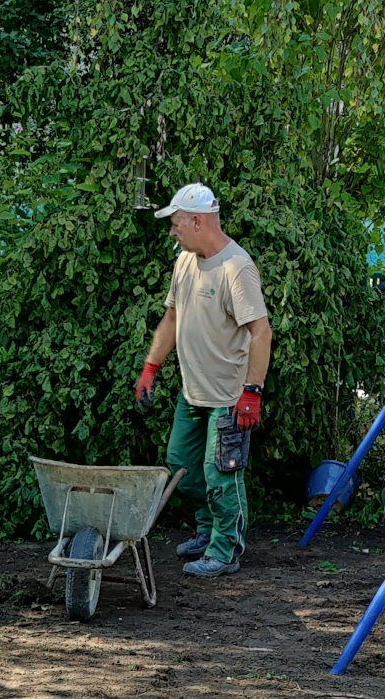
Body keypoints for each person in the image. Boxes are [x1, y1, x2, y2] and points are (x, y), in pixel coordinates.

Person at [134, 183, 273, 577]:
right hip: (192, 392)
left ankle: (225, 550)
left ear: (197, 220)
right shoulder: (185, 263)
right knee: (181, 463)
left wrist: (252, 392)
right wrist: (151, 368)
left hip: (229, 396)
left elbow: (261, 333)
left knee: (221, 474)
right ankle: (209, 528)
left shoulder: (236, 268)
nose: (173, 232)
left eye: (177, 224)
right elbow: (173, 318)